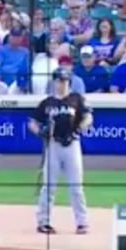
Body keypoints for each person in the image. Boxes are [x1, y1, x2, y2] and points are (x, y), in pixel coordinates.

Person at [28, 68, 93, 235]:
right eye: (59, 80)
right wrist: (40, 132)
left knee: (76, 186)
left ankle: (82, 222)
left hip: (72, 143)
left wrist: (79, 128)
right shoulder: (48, 103)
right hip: (53, 145)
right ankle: (43, 222)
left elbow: (88, 117)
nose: (62, 84)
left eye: (64, 80)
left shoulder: (76, 99)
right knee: (48, 186)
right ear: (54, 82)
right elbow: (32, 122)